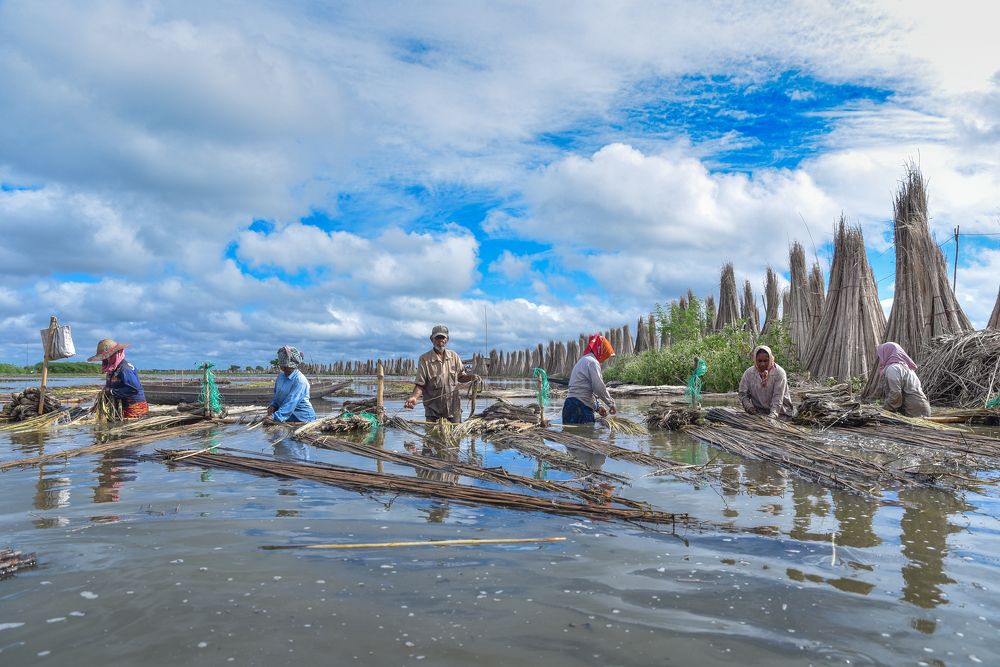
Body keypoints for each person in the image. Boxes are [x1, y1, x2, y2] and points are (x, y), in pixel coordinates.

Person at [404, 325, 477, 423]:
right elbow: (420, 384)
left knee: (455, 436)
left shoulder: (454, 356)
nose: (440, 340)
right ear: (432, 339)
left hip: (453, 407)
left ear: (447, 339)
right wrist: (414, 397)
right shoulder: (424, 359)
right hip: (432, 409)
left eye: (443, 337)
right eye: (437, 337)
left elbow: (461, 377)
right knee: (431, 437)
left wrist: (472, 377)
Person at [562, 334, 617, 424]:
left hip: (569, 406)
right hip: (580, 409)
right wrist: (611, 404)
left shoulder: (583, 360)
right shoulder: (592, 362)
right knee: (587, 436)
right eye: (605, 355)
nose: (604, 359)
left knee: (568, 435)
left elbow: (582, 389)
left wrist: (597, 407)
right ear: (601, 350)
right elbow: (598, 386)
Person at [88, 338, 148, 419]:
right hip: (121, 406)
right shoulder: (111, 369)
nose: (107, 359)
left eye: (110, 356)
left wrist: (111, 392)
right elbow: (109, 388)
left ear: (117, 353)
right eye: (105, 357)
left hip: (134, 407)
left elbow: (133, 389)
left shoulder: (125, 369)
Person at [738, 345, 795, 419]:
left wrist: (772, 416)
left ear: (770, 359)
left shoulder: (779, 373)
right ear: (755, 360)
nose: (762, 364)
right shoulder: (749, 373)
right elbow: (743, 394)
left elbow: (778, 398)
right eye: (759, 361)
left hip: (781, 414)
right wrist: (749, 407)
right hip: (758, 413)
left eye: (765, 361)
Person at [877, 342, 931, 417]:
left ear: (886, 353)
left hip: (913, 411)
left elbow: (895, 394)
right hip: (920, 407)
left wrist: (884, 411)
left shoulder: (893, 369)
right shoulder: (905, 367)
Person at [267, 346, 316, 423]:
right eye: (282, 366)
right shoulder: (280, 377)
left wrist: (275, 417)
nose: (283, 369)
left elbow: (291, 402)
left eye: (286, 367)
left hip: (303, 420)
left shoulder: (300, 381)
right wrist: (273, 405)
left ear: (293, 366)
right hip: (287, 418)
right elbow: (277, 395)